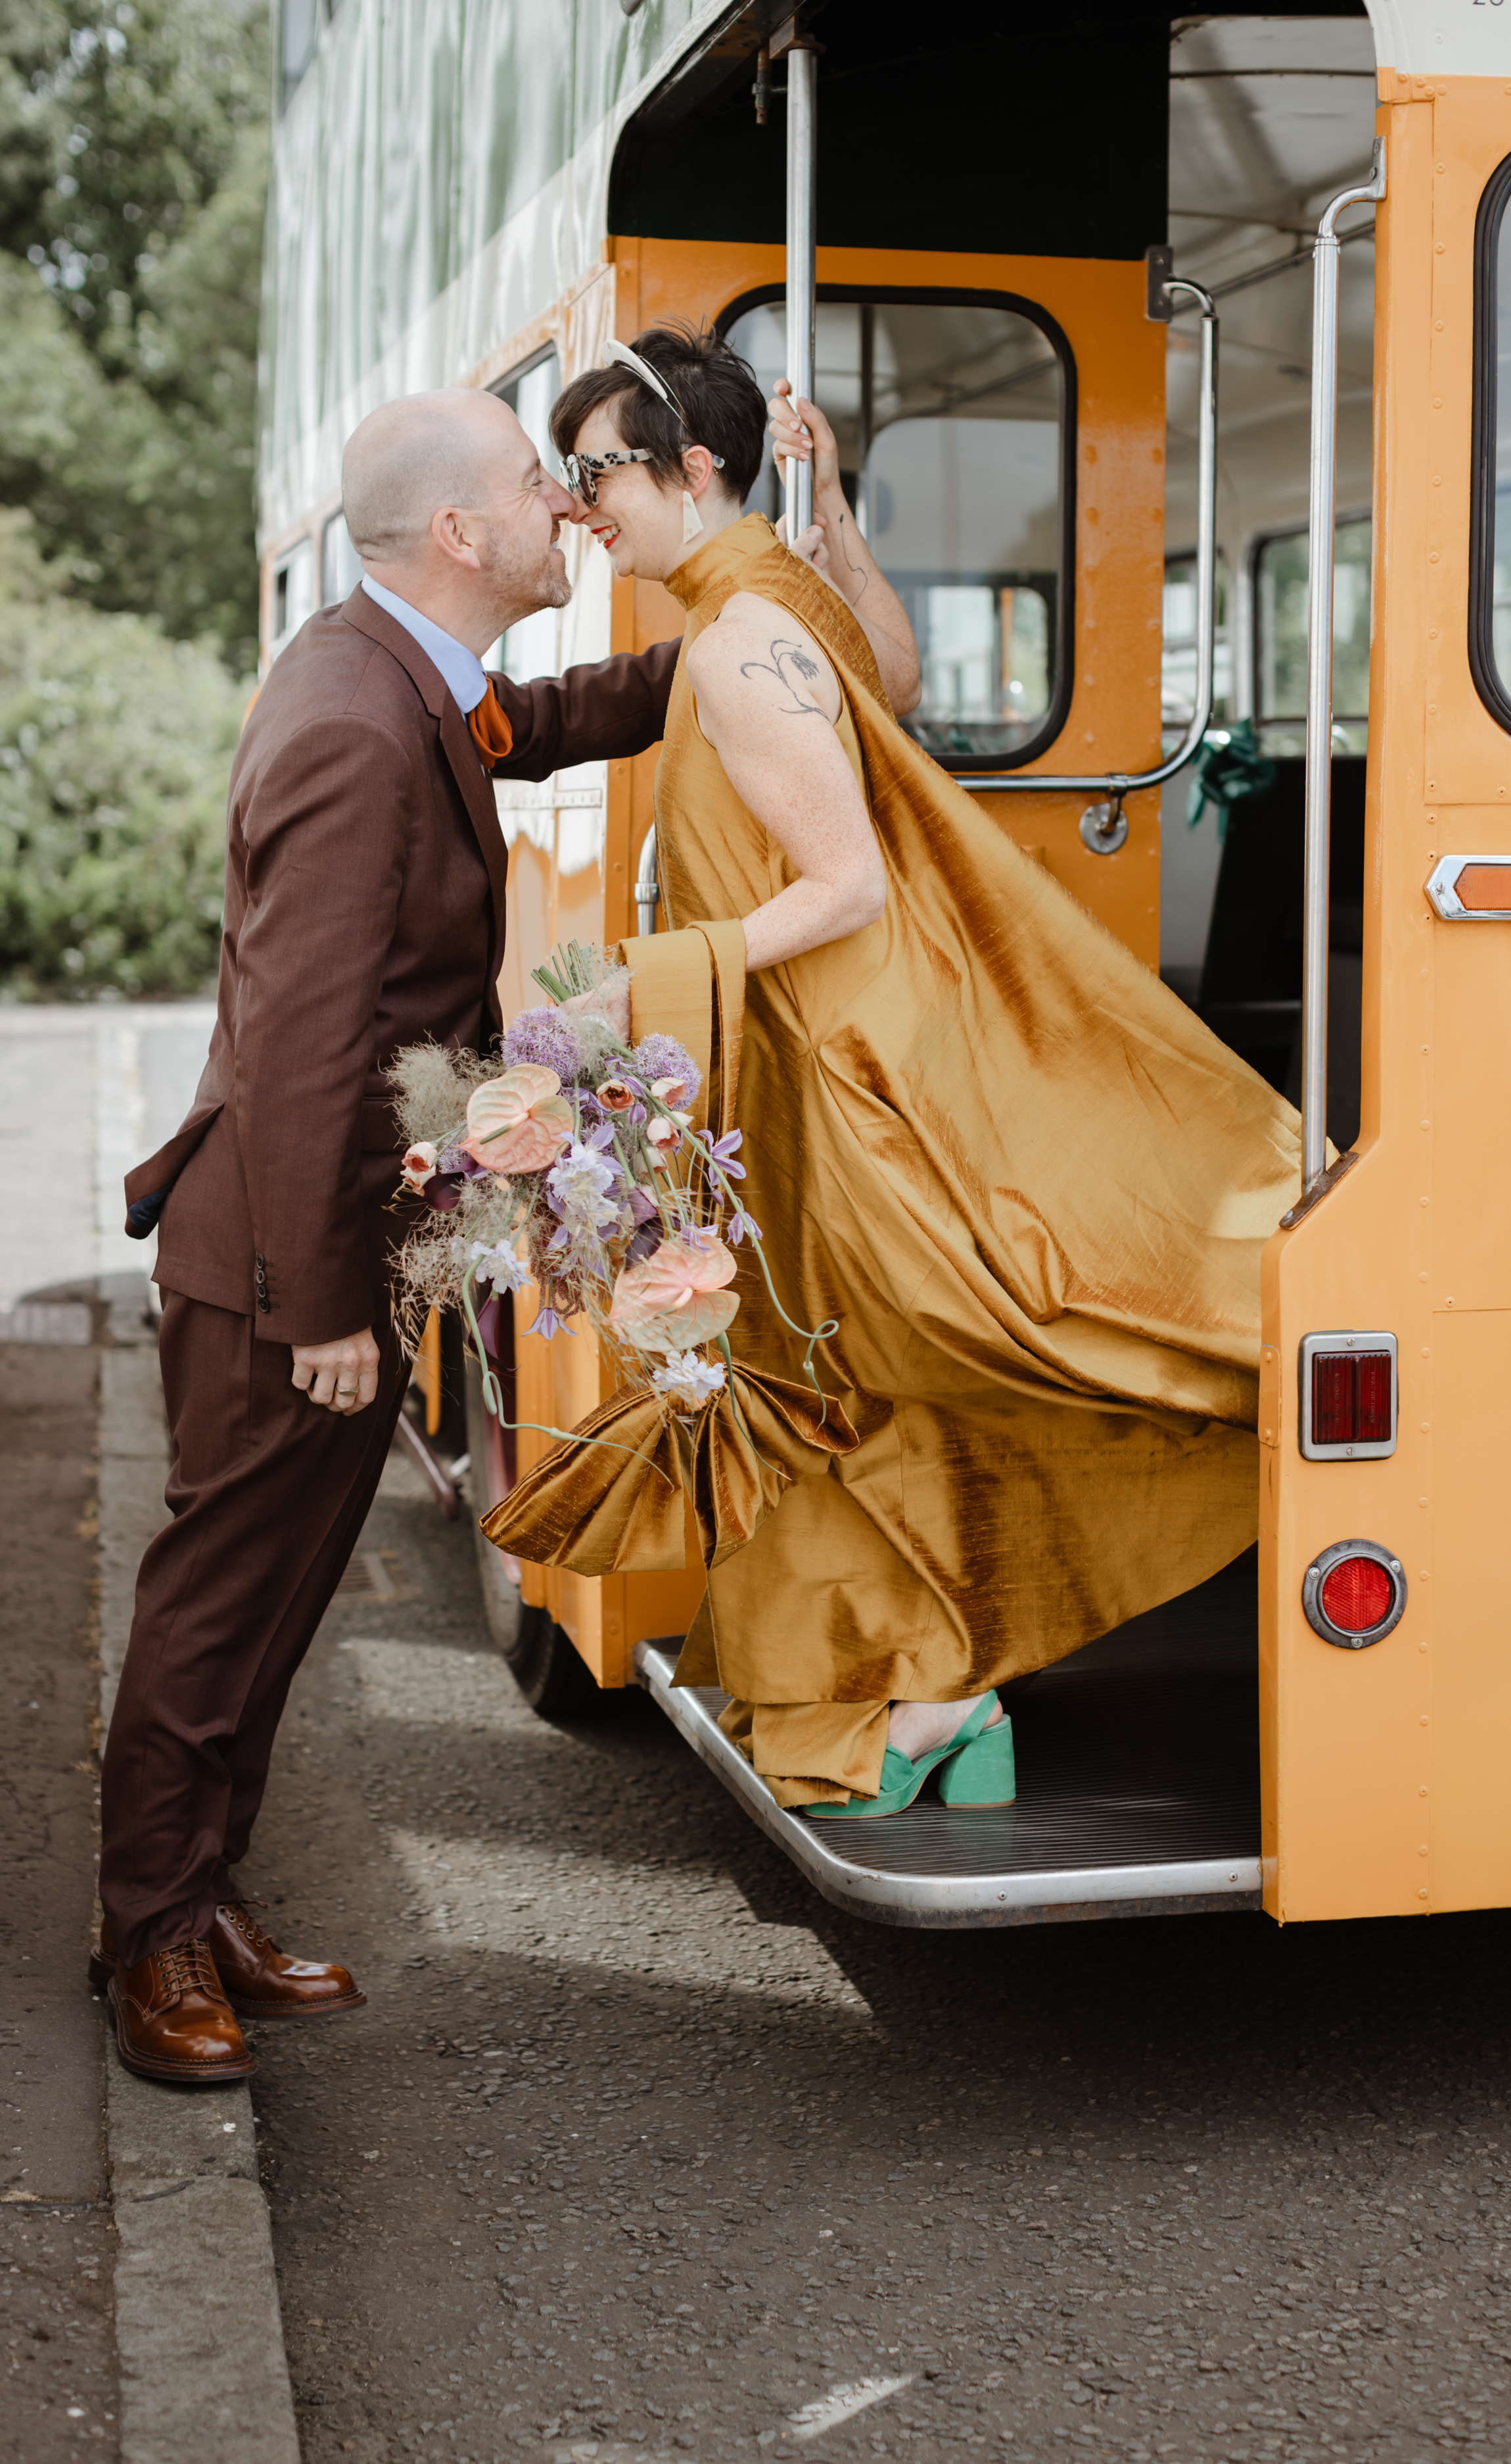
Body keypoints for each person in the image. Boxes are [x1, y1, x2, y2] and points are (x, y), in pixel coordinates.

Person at [488, 320, 1306, 1817]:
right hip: (839, 1053)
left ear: (691, 467)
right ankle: (929, 1683)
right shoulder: (769, 592)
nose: (574, 502)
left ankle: (925, 1688)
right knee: (868, 1380)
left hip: (843, 1072)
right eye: (564, 473)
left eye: (596, 469)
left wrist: (642, 980)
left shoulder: (738, 641)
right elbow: (899, 669)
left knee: (884, 1366)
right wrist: (840, 516)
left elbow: (847, 883)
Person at [95, 386, 692, 2082]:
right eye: (537, 485)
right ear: (459, 535)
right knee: (217, 1603)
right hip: (283, 1256)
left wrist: (717, 640)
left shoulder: (411, 683)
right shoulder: (358, 721)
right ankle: (147, 1940)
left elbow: (543, 720)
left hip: (317, 1238)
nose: (569, 507)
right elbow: (305, 1049)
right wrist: (322, 1303)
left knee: (275, 1603)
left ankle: (202, 1898)